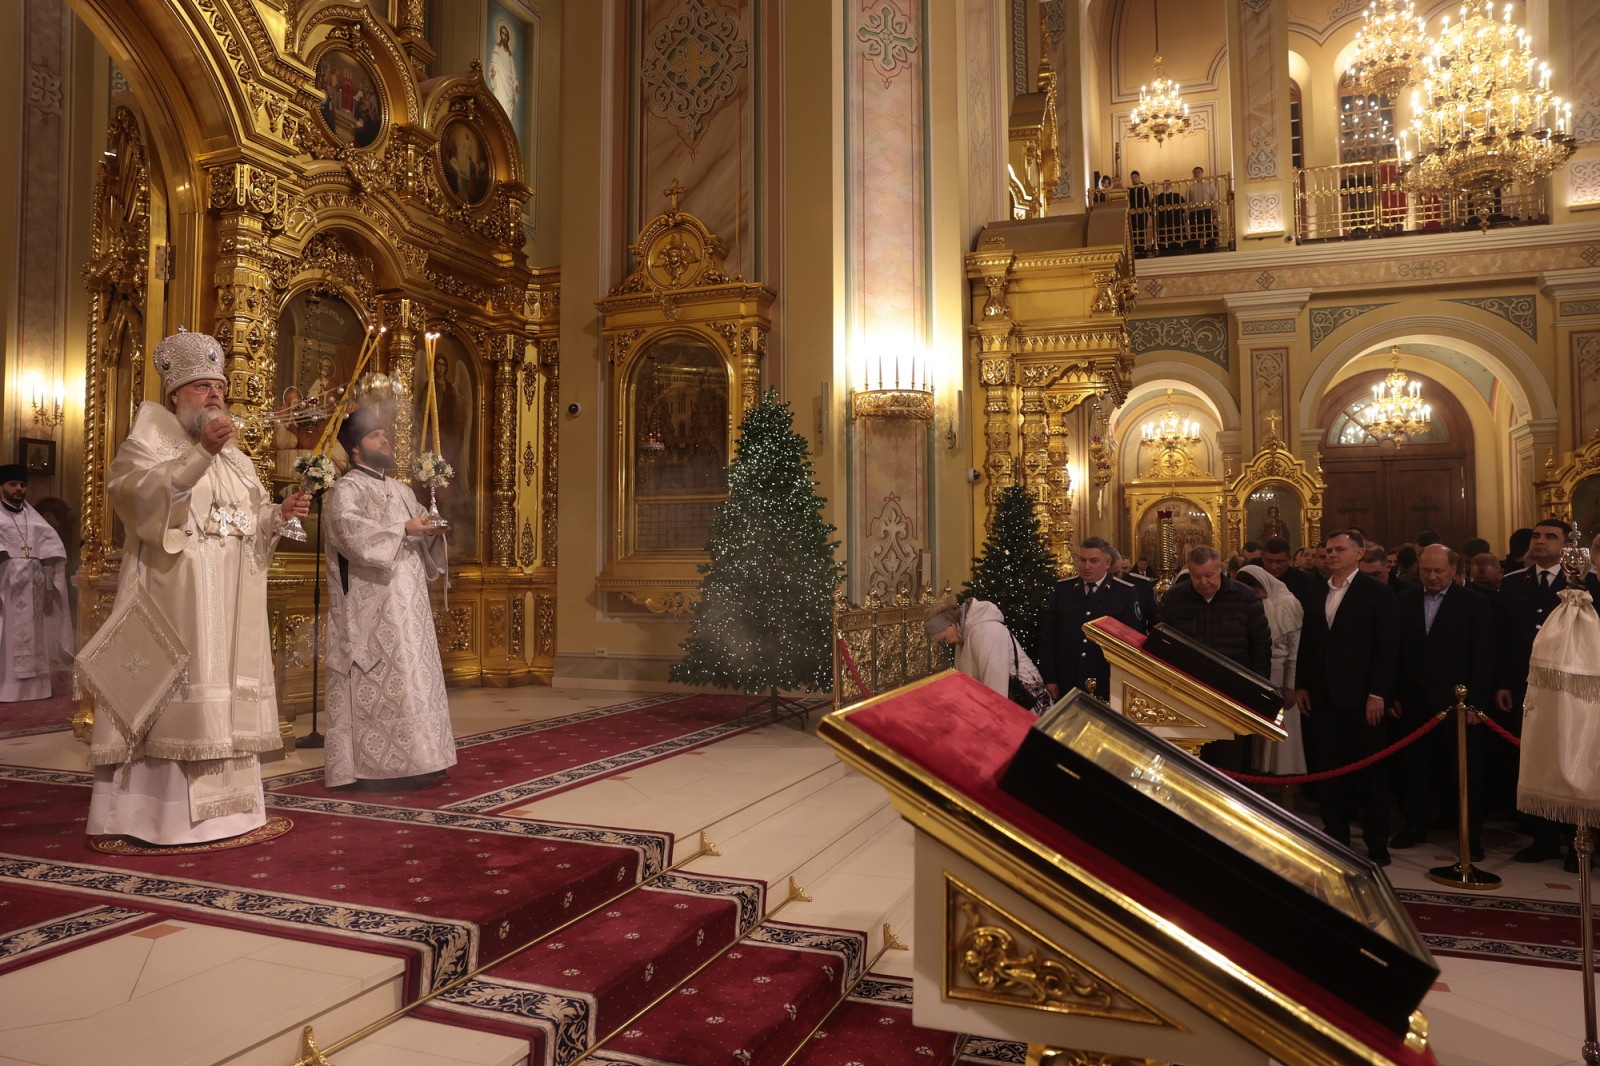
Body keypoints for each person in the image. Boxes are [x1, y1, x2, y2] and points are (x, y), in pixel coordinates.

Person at [84, 330, 311, 844]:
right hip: (175, 595)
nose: (215, 396)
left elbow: (249, 520)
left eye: (220, 387)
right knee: (178, 692)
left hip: (230, 600)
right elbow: (134, 496)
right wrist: (201, 454)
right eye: (202, 387)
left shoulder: (237, 459)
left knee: (227, 690)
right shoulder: (147, 443)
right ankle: (160, 818)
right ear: (175, 397)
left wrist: (279, 514)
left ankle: (233, 813)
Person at [321, 407, 456, 789]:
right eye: (375, 435)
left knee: (417, 677)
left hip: (411, 603)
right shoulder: (346, 490)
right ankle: (381, 767)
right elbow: (349, 534)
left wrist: (432, 531)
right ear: (356, 448)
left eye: (384, 433)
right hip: (374, 605)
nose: (385, 440)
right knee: (385, 678)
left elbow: (422, 532)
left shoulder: (403, 490)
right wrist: (403, 528)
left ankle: (425, 757)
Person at [1293, 530, 1401, 865]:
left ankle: (1376, 842)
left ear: (1359, 553)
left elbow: (1387, 648)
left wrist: (1378, 693)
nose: (1332, 555)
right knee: (1329, 772)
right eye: (1328, 551)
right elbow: (1308, 643)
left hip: (1363, 698)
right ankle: (1335, 836)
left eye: (1340, 550)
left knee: (1370, 774)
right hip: (1323, 697)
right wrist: (1302, 685)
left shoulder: (1377, 593)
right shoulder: (1315, 592)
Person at [1390, 545, 1494, 858]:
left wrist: (1477, 702)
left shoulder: (1474, 602)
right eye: (1426, 571)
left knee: (1463, 769)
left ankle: (1469, 835)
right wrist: (1395, 693)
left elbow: (1484, 656)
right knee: (1414, 767)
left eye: (1438, 570)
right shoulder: (1404, 600)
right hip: (1414, 698)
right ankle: (1415, 825)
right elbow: (1396, 653)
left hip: (1458, 701)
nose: (1432, 576)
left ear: (1453, 569)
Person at [1494, 517, 1585, 866]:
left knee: (1570, 760)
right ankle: (1542, 838)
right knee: (1534, 759)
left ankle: (1577, 841)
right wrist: (1503, 682)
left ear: (1566, 545)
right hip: (1526, 682)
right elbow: (1503, 637)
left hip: (1569, 683)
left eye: (1550, 536)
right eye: (1536, 536)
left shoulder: (1584, 580)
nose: (1540, 541)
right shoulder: (1513, 582)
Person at [1158, 546, 1272, 771]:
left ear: (1221, 569)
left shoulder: (1245, 597)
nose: (1203, 582)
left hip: (1232, 694)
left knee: (1229, 761)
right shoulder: (1174, 598)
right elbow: (1160, 643)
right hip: (1187, 693)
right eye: (1196, 576)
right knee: (1189, 762)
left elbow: (1261, 646)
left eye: (1209, 575)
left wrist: (1258, 692)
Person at [1038, 536, 1147, 700]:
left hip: (1107, 679)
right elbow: (1048, 637)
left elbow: (1133, 642)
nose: (1086, 566)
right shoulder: (1064, 589)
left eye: (1093, 561)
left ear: (1107, 563)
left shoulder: (1124, 592)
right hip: (1067, 678)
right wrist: (1049, 677)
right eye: (1082, 560)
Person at [0, 464, 73, 700]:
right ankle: (7, 689)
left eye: (22, 485)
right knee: (8, 636)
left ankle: (36, 689)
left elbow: (48, 555)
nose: (19, 489)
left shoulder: (34, 519)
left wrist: (49, 587)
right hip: (7, 585)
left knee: (36, 635)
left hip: (34, 585)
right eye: (13, 484)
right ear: (1, 487)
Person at [1237, 564, 1304, 776]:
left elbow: (1294, 652)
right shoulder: (1252, 603)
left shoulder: (1288, 603)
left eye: (1255, 590)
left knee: (1282, 731)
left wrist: (1290, 686)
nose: (1254, 595)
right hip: (1260, 672)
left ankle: (1284, 777)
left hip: (1281, 674)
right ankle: (1262, 774)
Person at [925, 594, 1043, 702]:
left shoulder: (985, 632)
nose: (946, 643)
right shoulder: (964, 636)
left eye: (944, 638)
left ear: (951, 625)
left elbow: (996, 686)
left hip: (1026, 701)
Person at [1186, 165, 1219, 248]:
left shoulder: (1209, 185)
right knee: (1195, 232)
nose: (1197, 174)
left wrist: (1214, 210)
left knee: (1208, 230)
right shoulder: (1190, 188)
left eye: (1198, 172)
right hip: (1194, 212)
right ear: (1193, 175)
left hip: (1207, 210)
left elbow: (1214, 198)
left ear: (1202, 173)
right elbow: (1187, 202)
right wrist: (1187, 214)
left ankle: (1210, 247)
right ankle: (1195, 248)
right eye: (1195, 173)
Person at [1128, 171, 1151, 252]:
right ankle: (1134, 247)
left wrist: (1143, 207)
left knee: (1142, 228)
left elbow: (1147, 199)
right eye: (1132, 178)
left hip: (1142, 212)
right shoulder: (1129, 189)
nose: (1134, 179)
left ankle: (1143, 246)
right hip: (1133, 212)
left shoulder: (1143, 187)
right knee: (1134, 229)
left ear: (1139, 177)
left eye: (1136, 177)